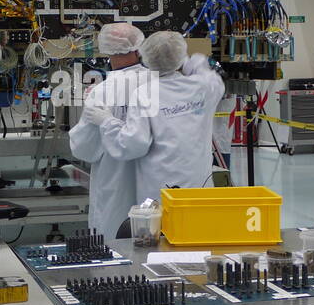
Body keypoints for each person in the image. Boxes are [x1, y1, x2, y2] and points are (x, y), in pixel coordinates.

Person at [90, 30, 225, 202]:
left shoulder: (145, 93)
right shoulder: (203, 86)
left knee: (160, 228)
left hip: (159, 191)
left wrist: (107, 122)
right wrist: (192, 62)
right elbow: (212, 76)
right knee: (196, 227)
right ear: (180, 55)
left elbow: (133, 144)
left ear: (146, 58)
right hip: (199, 188)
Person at [69, 22, 146, 239]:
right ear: (138, 47)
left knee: (114, 248)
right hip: (153, 183)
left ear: (105, 49)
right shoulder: (158, 83)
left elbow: (84, 149)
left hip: (114, 183)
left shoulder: (101, 92)